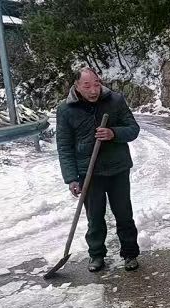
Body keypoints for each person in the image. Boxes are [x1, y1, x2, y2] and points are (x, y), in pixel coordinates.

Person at [56, 67, 141, 273]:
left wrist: (113, 133)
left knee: (123, 214)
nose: (93, 90)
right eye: (87, 86)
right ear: (76, 86)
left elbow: (133, 129)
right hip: (89, 172)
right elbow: (64, 146)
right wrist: (71, 178)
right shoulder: (66, 110)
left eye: (96, 84)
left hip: (118, 168)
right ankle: (96, 255)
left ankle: (130, 253)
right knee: (95, 217)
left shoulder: (115, 101)